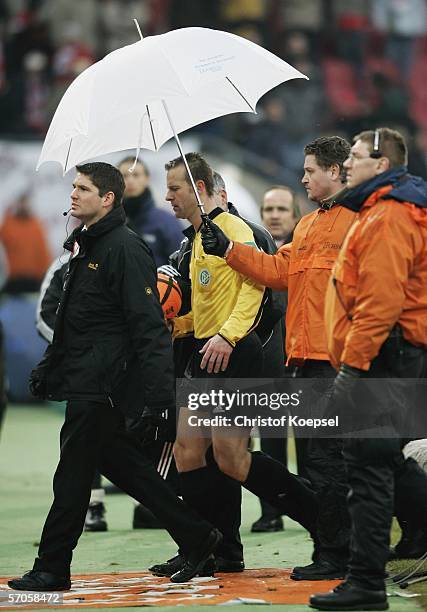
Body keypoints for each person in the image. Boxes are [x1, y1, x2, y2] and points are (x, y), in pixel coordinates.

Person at [8, 162, 221, 592]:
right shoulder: (84, 247)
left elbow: (147, 327)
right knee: (125, 468)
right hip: (88, 380)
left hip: (103, 387)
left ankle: (52, 566)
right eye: (73, 186)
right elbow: (73, 321)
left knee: (71, 476)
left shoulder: (124, 248)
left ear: (107, 198)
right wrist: (50, 368)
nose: (72, 194)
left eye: (83, 188)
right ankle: (199, 536)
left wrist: (160, 399)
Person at [150, 153, 317, 578]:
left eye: (175, 188)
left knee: (232, 459)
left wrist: (228, 335)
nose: (167, 196)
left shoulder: (238, 230)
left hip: (236, 353)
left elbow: (257, 291)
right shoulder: (192, 242)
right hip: (203, 352)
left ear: (199, 189)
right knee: (188, 452)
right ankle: (208, 549)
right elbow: (203, 306)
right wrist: (176, 323)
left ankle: (326, 522)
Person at [200, 136, 356, 580]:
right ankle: (333, 549)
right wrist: (228, 250)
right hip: (305, 360)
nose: (303, 177)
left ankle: (340, 553)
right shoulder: (307, 227)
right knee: (315, 463)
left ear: (335, 171)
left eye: (310, 170)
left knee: (332, 463)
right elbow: (277, 272)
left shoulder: (358, 223)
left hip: (338, 361)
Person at [310, 127, 427, 611]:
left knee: (368, 470)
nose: (348, 165)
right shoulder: (387, 208)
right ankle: (366, 581)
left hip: (381, 359)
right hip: (389, 356)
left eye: (355, 157)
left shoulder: (388, 214)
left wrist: (351, 372)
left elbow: (379, 304)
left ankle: (366, 585)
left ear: (381, 164)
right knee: (382, 464)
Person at [118, 156, 183, 266]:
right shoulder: (110, 221)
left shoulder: (166, 222)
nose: (130, 180)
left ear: (147, 179)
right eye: (124, 176)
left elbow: (182, 264)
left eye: (136, 175)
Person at [0, 191, 51, 293]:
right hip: (15, 278)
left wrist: (45, 276)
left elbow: (43, 253)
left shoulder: (36, 226)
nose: (23, 206)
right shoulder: (9, 224)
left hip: (34, 279)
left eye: (26, 203)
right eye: (21, 203)